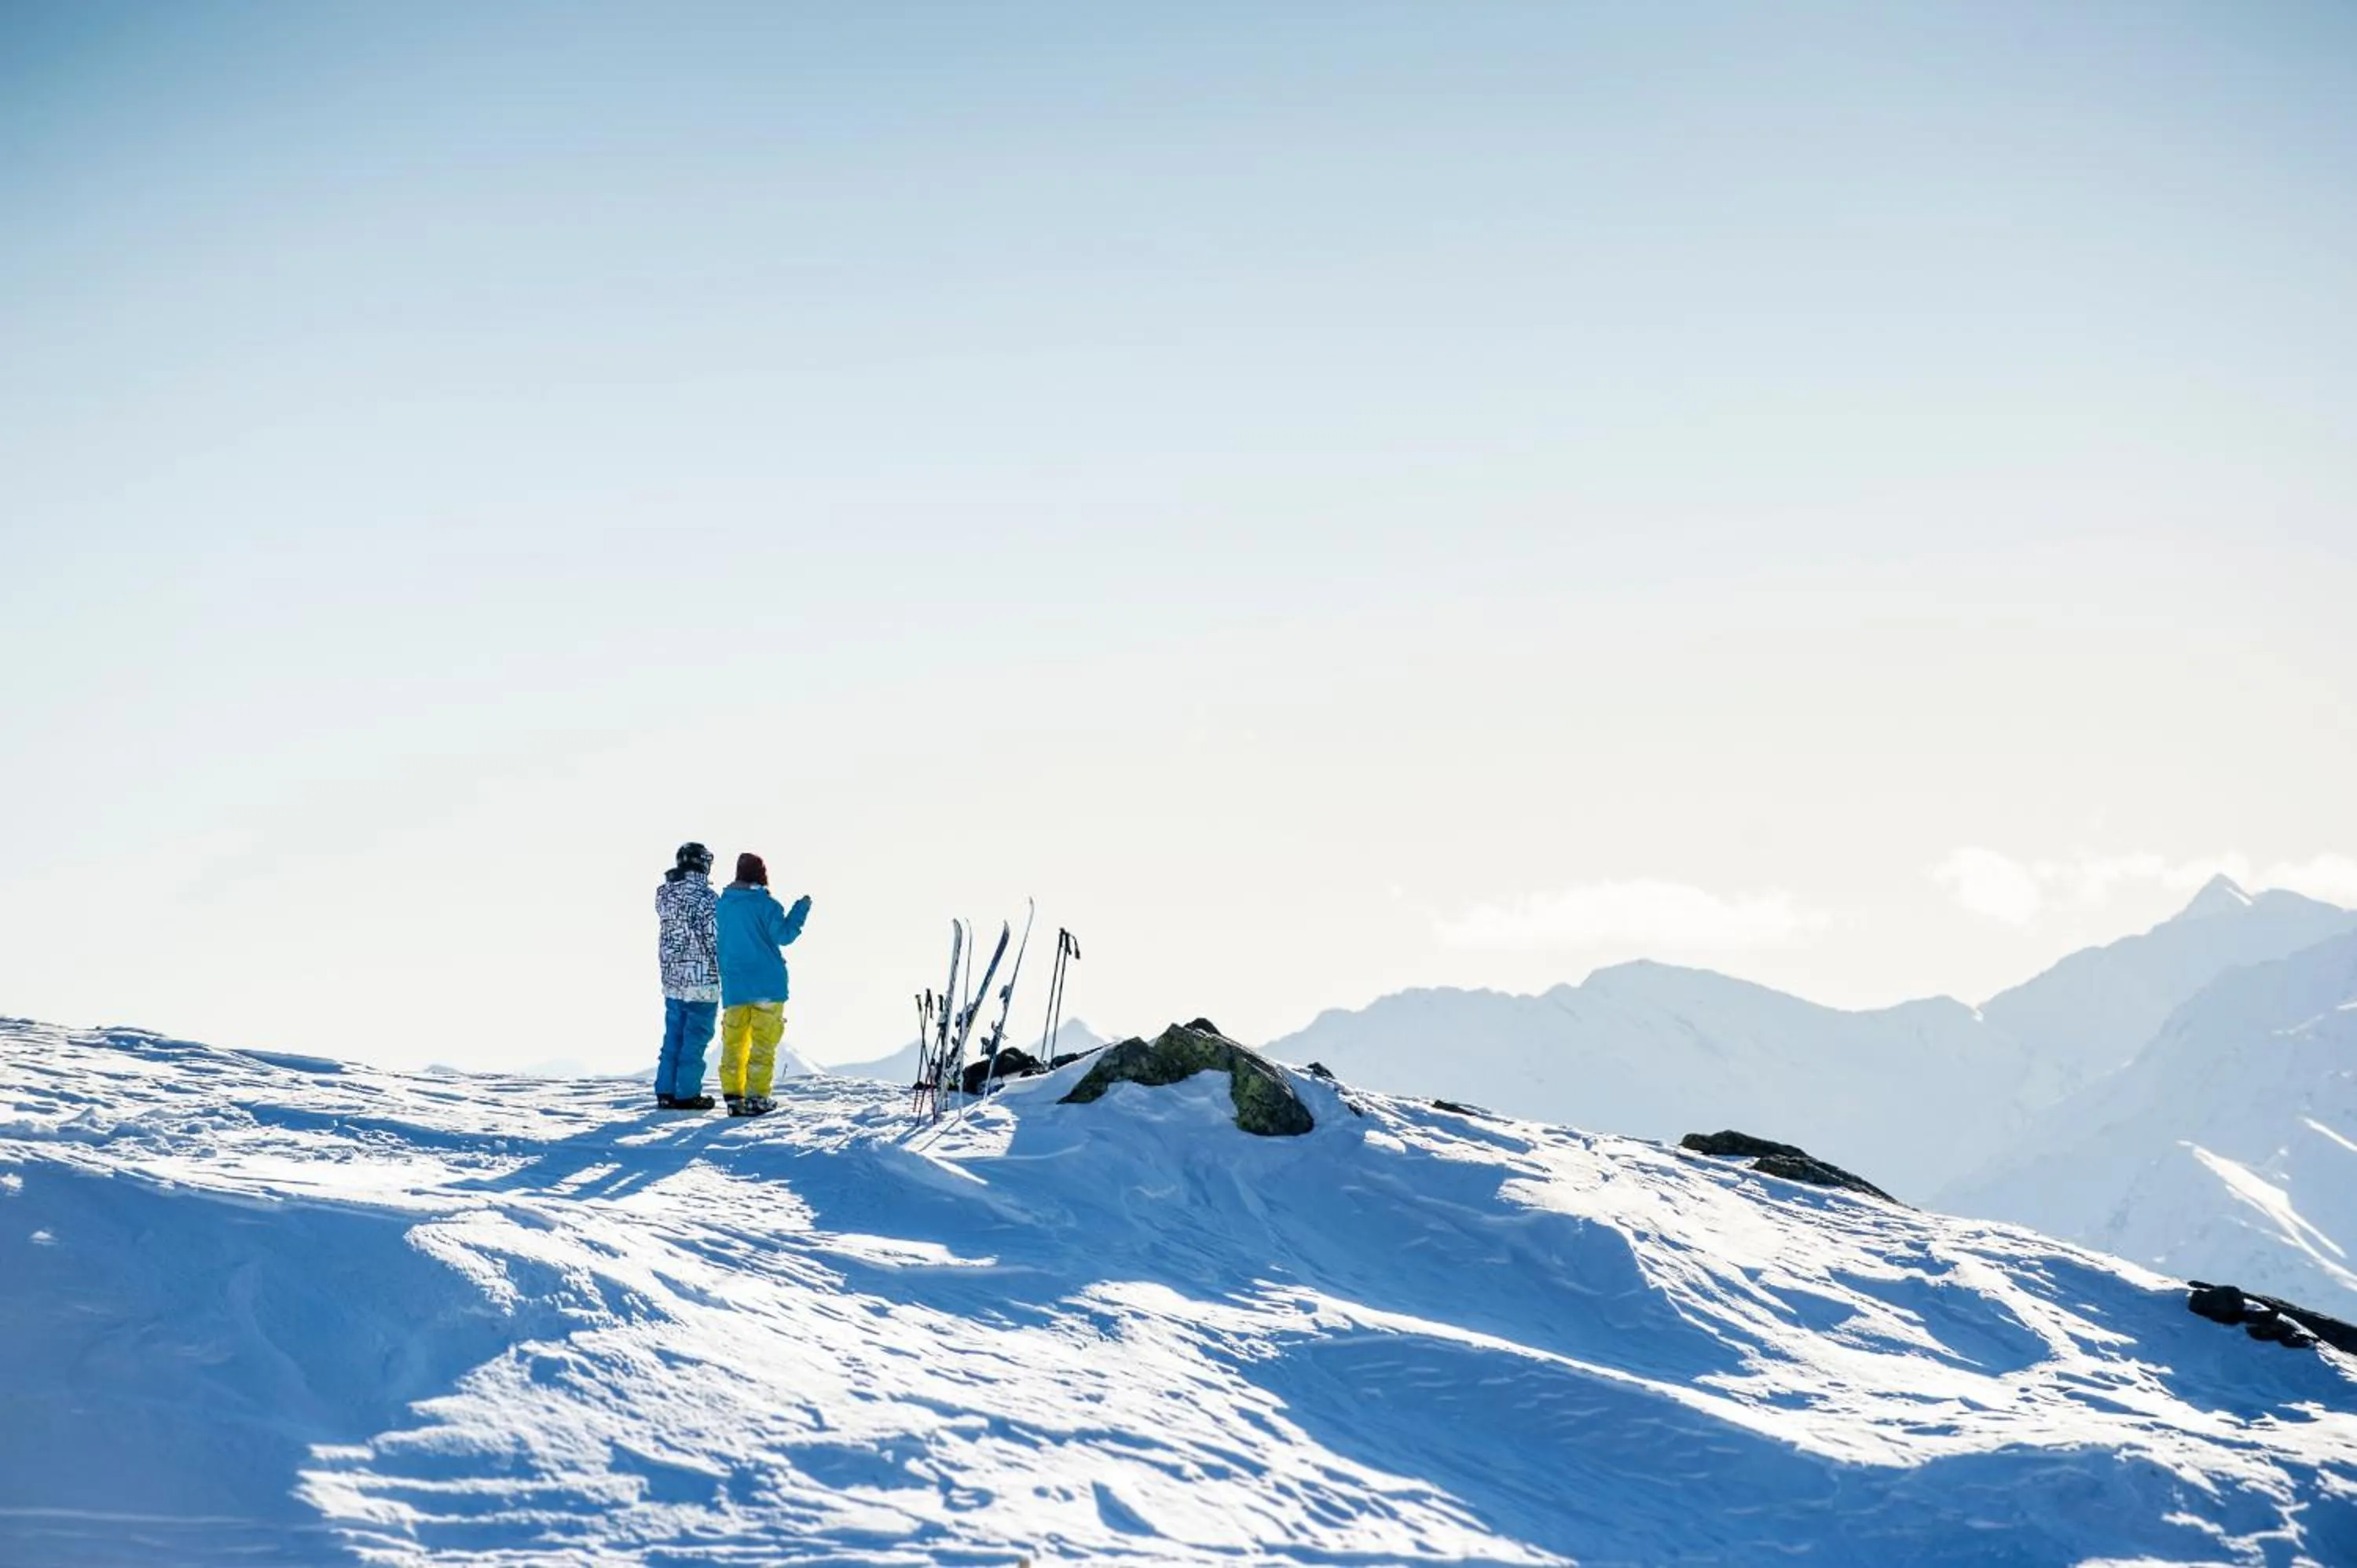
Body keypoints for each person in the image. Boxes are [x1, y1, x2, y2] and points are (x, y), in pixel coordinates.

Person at [714, 851, 812, 1116]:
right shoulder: (766, 905)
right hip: (767, 985)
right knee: (763, 1044)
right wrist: (800, 910)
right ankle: (757, 1097)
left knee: (734, 1042)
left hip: (735, 986)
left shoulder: (722, 906)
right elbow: (784, 936)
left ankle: (734, 1096)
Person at [652, 842, 720, 1111]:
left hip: (672, 978)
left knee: (673, 1036)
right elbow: (715, 938)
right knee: (695, 1037)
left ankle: (666, 1091)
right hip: (701, 977)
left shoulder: (665, 896)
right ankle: (687, 1093)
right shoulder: (706, 897)